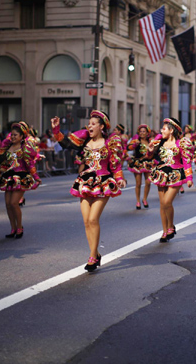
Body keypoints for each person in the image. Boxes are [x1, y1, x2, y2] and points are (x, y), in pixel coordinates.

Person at [53, 111, 126, 272]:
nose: (90, 126)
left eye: (93, 124)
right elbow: (65, 144)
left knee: (93, 219)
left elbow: (116, 165)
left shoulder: (110, 143)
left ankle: (92, 256)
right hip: (85, 182)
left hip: (104, 181)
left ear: (102, 127)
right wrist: (56, 130)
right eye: (89, 123)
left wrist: (119, 178)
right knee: (86, 221)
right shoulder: (84, 140)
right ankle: (95, 253)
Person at [147, 118, 194, 243]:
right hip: (161, 173)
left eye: (164, 128)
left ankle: (171, 226)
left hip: (176, 174)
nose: (161, 130)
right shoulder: (160, 142)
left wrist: (189, 178)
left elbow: (186, 161)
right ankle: (164, 231)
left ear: (171, 130)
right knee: (162, 204)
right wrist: (150, 150)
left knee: (167, 202)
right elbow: (149, 156)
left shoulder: (181, 143)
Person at [0, 122, 41, 239]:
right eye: (12, 135)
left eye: (16, 135)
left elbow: (30, 164)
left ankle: (20, 227)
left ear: (21, 137)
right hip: (8, 177)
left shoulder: (25, 148)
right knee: (8, 204)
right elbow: (0, 161)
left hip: (21, 177)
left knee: (14, 203)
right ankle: (13, 228)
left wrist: (36, 178)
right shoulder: (8, 147)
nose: (13, 137)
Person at [127, 124, 155, 209]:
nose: (142, 133)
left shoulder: (150, 141)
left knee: (148, 182)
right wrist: (134, 144)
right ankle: (138, 201)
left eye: (144, 131)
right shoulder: (136, 140)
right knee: (138, 183)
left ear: (147, 133)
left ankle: (145, 199)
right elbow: (128, 148)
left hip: (148, 163)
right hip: (138, 163)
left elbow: (155, 151)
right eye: (141, 131)